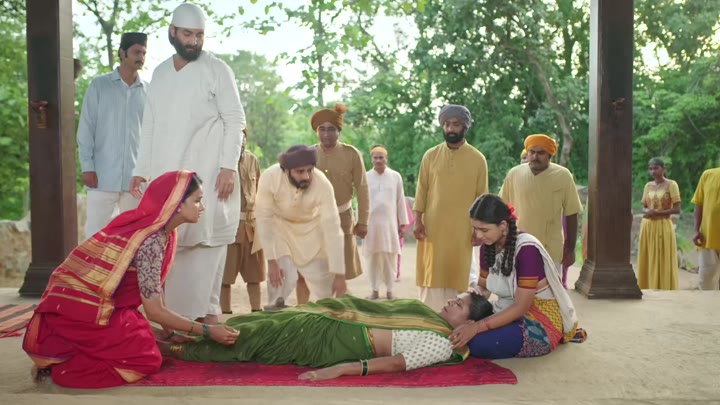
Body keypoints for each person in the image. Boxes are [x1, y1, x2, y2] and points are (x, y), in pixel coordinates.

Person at [22, 171, 240, 389]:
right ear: (176, 204)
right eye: (197, 201)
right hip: (85, 312)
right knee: (146, 360)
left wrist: (170, 332)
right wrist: (207, 331)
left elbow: (154, 292)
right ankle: (57, 369)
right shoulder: (151, 241)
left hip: (111, 308)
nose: (202, 207)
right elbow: (154, 311)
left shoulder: (166, 233)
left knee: (145, 338)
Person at [130, 3, 245, 324]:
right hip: (167, 174)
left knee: (206, 240)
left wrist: (228, 166)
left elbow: (235, 119)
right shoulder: (160, 73)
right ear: (172, 32)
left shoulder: (217, 69)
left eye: (199, 35)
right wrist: (141, 170)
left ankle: (205, 319)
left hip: (209, 172)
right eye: (187, 34)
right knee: (172, 240)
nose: (194, 41)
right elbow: (149, 125)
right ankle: (179, 322)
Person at [162, 293, 493, 381]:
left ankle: (177, 349)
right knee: (259, 320)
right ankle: (181, 335)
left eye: (459, 305)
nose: (451, 302)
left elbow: (395, 364)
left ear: (468, 322)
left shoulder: (442, 343)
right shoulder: (427, 314)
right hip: (335, 318)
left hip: (335, 342)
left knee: (255, 340)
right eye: (455, 298)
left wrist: (341, 369)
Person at [449, 194, 586, 359]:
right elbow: (483, 288)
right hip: (504, 309)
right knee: (454, 321)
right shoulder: (488, 246)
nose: (478, 236)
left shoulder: (527, 250)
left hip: (539, 320)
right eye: (475, 229)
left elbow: (521, 307)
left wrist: (477, 327)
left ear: (503, 225)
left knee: (474, 343)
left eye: (484, 230)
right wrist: (468, 299)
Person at [414, 104, 488, 311]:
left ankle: (456, 316)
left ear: (465, 127)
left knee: (459, 273)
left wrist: (479, 230)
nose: (450, 129)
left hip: (462, 229)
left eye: (455, 124)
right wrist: (418, 220)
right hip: (433, 227)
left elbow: (481, 198)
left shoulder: (478, 159)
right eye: (446, 124)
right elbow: (422, 190)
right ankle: (431, 315)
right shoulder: (430, 156)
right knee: (432, 272)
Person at [254, 145, 348, 309]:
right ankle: (275, 312)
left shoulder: (322, 183)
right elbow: (264, 218)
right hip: (279, 228)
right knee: (282, 277)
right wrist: (272, 261)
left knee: (327, 288)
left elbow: (332, 228)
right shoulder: (269, 177)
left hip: (311, 229)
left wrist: (339, 274)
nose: (306, 176)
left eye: (309, 170)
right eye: (300, 171)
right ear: (286, 170)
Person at [295, 104, 369, 304]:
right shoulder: (307, 154)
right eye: (322, 129)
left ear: (339, 131)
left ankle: (336, 314)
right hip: (312, 221)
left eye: (331, 129)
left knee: (339, 272)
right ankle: (302, 311)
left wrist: (363, 221)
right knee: (304, 271)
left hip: (342, 220)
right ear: (316, 131)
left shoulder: (351, 154)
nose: (326, 134)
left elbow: (362, 188)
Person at [77, 32, 148, 238]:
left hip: (136, 180)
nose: (141, 57)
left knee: (133, 236)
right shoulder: (99, 86)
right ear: (122, 53)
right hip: (101, 176)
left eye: (144, 53)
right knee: (95, 235)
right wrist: (87, 167)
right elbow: (86, 128)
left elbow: (152, 135)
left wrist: (147, 171)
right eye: (136, 52)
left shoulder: (149, 91)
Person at [499, 134, 583, 285]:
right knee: (518, 289)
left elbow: (571, 213)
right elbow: (502, 210)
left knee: (549, 291)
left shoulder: (563, 176)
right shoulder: (514, 174)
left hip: (550, 248)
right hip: (518, 244)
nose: (535, 157)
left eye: (541, 153)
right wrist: (500, 240)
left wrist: (570, 248)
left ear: (550, 155)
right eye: (532, 152)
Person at [220, 129, 266, 313]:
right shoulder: (220, 162)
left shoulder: (252, 159)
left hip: (252, 226)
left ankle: (257, 311)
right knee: (225, 276)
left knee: (255, 274)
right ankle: (225, 314)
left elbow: (259, 190)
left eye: (243, 137)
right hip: (230, 226)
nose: (240, 141)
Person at [364, 145, 409, 300]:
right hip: (371, 225)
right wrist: (360, 223)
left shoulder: (395, 176)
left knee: (390, 257)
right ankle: (374, 290)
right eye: (375, 157)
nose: (378, 160)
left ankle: (390, 290)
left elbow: (400, 200)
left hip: (390, 225)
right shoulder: (365, 177)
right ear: (371, 160)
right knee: (372, 258)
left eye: (381, 157)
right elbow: (362, 202)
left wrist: (402, 223)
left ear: (386, 159)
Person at [637, 158, 681, 290]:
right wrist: (647, 212)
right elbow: (644, 206)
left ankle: (664, 287)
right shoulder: (648, 186)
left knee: (662, 256)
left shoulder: (671, 185)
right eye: (650, 169)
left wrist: (657, 213)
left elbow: (677, 209)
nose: (653, 171)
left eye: (656, 168)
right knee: (648, 255)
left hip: (663, 225)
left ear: (664, 169)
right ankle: (647, 287)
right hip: (648, 226)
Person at [691, 165, 720, 290]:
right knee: (706, 280)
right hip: (707, 236)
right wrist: (696, 230)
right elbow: (699, 203)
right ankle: (706, 302)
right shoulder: (708, 175)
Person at [397, 197, 414, 280]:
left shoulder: (401, 198)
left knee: (397, 252)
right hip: (386, 227)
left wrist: (403, 228)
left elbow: (408, 216)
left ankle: (396, 272)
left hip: (398, 228)